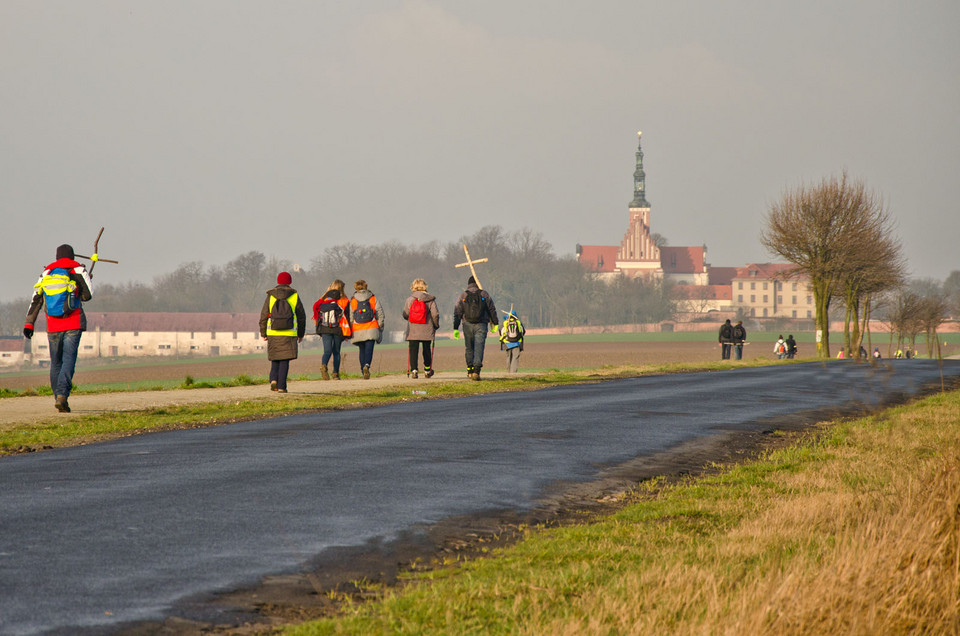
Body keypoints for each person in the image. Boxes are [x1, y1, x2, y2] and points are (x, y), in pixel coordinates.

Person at [23, 244, 94, 413]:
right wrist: (87, 278)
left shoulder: (46, 272)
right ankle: (62, 396)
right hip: (73, 323)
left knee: (55, 363)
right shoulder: (78, 269)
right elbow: (87, 295)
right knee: (69, 360)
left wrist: (29, 323)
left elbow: (36, 299)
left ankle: (58, 398)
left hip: (53, 325)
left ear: (56, 257)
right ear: (72, 256)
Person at [259, 272, 306, 393]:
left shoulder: (271, 296)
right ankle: (281, 387)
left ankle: (273, 379)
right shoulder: (294, 295)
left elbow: (264, 315)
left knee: (275, 358)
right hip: (289, 333)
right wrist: (300, 334)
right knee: (284, 360)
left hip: (273, 333)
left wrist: (263, 333)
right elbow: (301, 316)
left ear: (278, 281)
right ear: (289, 282)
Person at [452, 276, 499, 380]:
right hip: (481, 324)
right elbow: (492, 309)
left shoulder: (463, 295)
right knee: (479, 347)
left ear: (468, 284)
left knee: (469, 347)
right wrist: (495, 323)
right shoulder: (484, 294)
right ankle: (477, 371)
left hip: (467, 324)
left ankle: (470, 369)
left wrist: (455, 327)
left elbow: (457, 311)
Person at [402, 278, 440, 379]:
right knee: (426, 349)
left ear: (413, 287)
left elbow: (405, 314)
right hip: (427, 329)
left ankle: (414, 370)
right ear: (425, 287)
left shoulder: (410, 299)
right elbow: (435, 314)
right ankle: (427, 370)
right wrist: (436, 325)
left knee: (413, 350)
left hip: (413, 329)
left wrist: (411, 319)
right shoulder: (430, 300)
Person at [313, 279, 350, 380]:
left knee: (327, 351)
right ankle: (335, 374)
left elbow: (317, 312)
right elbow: (348, 317)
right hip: (338, 329)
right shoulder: (345, 301)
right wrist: (348, 334)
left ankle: (324, 365)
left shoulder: (324, 300)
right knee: (336, 352)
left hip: (325, 329)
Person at [348, 280, 384, 380]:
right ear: (366, 287)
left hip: (357, 329)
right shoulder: (373, 298)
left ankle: (362, 369)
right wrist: (380, 327)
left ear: (356, 288)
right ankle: (367, 366)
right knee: (369, 349)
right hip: (371, 327)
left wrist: (350, 330)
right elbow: (379, 314)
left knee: (362, 350)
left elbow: (350, 317)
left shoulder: (353, 300)